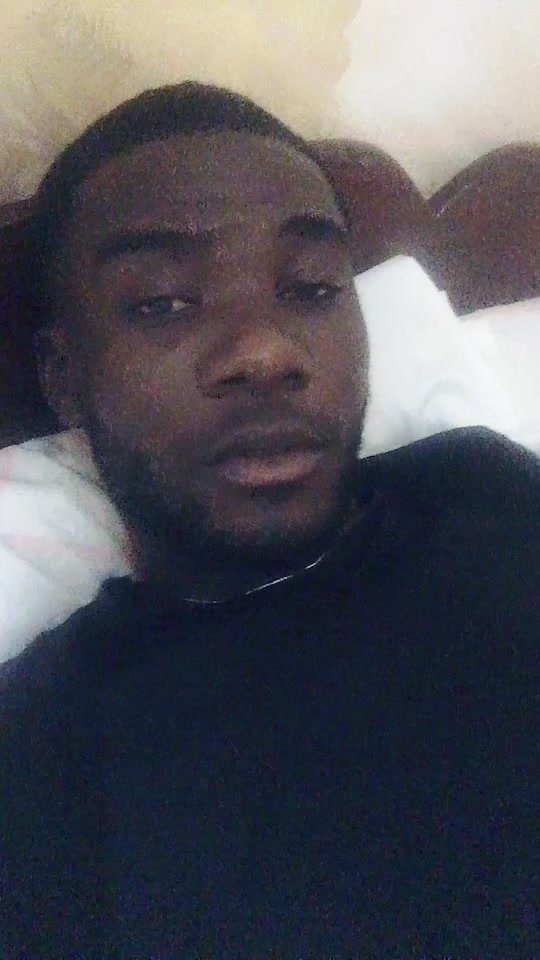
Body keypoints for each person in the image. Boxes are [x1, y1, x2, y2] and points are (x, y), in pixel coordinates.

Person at [0, 82, 539, 959]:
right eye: (162, 302)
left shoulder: (477, 487)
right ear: (64, 378)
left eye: (313, 287)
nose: (265, 351)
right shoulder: (44, 759)